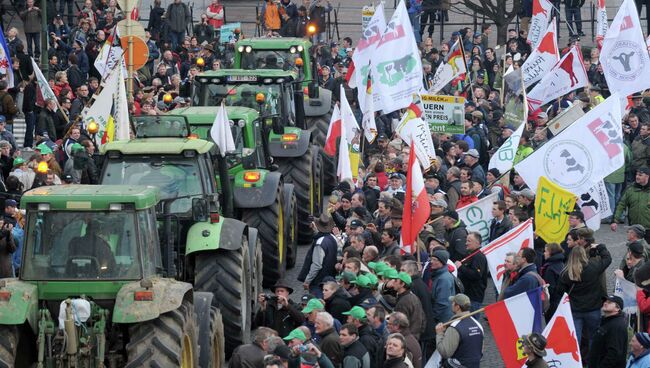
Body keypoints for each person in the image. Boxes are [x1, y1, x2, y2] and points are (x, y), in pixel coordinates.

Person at [557, 243, 611, 348]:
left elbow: (560, 292)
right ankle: (592, 360)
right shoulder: (593, 266)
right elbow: (607, 259)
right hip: (593, 308)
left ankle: (576, 361)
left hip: (575, 310)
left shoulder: (566, 272)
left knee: (575, 339)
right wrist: (600, 247)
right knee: (593, 337)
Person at [435, 294, 484, 368]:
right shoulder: (478, 325)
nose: (451, 304)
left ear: (457, 307)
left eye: (453, 303)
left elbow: (445, 352)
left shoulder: (455, 327)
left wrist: (439, 334)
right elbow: (480, 351)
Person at [298, 213, 338, 298]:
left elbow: (317, 265)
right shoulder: (333, 237)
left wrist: (307, 281)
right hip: (330, 279)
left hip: (318, 282)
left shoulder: (319, 243)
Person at [588, 295, 629, 368]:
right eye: (605, 301)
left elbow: (614, 353)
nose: (605, 303)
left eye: (609, 302)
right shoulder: (606, 321)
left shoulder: (617, 325)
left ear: (617, 308)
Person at [612, 167, 650, 242]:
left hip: (648, 228)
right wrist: (615, 221)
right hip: (634, 228)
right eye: (636, 174)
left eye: (640, 175)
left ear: (647, 176)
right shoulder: (630, 189)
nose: (637, 177)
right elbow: (621, 204)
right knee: (635, 250)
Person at [455, 232, 488, 313]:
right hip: (468, 295)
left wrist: (461, 267)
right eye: (466, 241)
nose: (466, 243)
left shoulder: (479, 256)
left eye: (469, 241)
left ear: (477, 242)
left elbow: (476, 275)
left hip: (473, 297)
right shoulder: (470, 254)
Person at [387, 271, 425, 340]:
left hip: (405, 339)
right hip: (414, 337)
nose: (393, 282)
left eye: (396, 280)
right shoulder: (413, 296)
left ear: (402, 284)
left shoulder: (404, 302)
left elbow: (398, 326)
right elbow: (423, 319)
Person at [429, 250, 455, 324]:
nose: (431, 261)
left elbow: (442, 303)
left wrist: (433, 317)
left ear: (442, 262)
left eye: (435, 260)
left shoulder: (444, 279)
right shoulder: (438, 275)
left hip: (442, 319)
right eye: (431, 259)